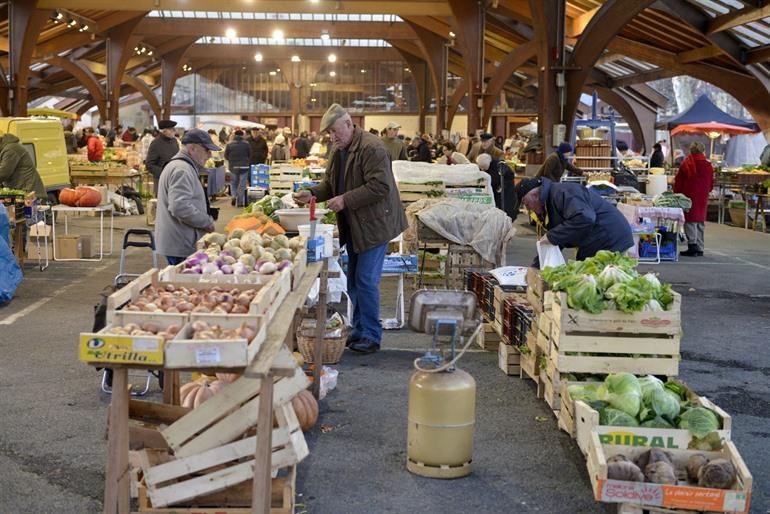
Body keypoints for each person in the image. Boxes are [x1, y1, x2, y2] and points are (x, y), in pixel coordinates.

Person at [293, 104, 407, 354]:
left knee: (365, 280)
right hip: (356, 223)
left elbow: (380, 187)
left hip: (375, 224)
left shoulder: (372, 147)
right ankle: (359, 329)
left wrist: (345, 200)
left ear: (348, 123)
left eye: (334, 131)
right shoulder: (338, 150)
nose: (332, 137)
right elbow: (331, 184)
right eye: (328, 134)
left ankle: (372, 335)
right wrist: (312, 193)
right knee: (354, 281)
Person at [517, 177, 634, 265]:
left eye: (526, 204)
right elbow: (559, 236)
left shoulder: (562, 193)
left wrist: (552, 236)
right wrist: (536, 266)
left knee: (599, 288)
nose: (528, 209)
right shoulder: (548, 204)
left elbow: (585, 218)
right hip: (597, 240)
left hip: (610, 238)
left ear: (535, 195)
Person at [155, 128, 219, 265]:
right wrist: (206, 222)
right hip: (181, 243)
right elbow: (179, 206)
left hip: (180, 240)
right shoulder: (182, 170)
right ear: (192, 148)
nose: (210, 155)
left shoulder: (183, 167)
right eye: (207, 150)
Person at [673, 141, 714, 257]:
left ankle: (692, 246)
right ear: (703, 151)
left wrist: (677, 194)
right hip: (702, 196)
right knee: (700, 221)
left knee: (690, 221)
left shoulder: (686, 164)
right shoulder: (708, 165)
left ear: (690, 151)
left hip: (688, 195)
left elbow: (679, 182)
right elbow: (711, 183)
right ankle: (700, 247)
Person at [0, 132, 47, 200]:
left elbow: (3, 173)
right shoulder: (7, 148)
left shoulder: (10, 149)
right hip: (25, 194)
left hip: (30, 194)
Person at [145, 120, 180, 196]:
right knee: (163, 205)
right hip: (162, 181)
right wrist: (165, 173)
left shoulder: (174, 141)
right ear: (164, 131)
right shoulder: (156, 143)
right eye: (172, 129)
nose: (174, 131)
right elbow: (149, 164)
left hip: (176, 179)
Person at [476, 153, 516, 219]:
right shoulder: (483, 164)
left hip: (504, 192)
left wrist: (502, 185)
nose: (483, 169)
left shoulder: (500, 165)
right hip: (493, 190)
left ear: (489, 162)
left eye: (484, 167)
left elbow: (510, 175)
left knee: (505, 210)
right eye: (481, 168)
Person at [225, 129, 252, 207]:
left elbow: (226, 156)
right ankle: (240, 201)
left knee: (233, 183)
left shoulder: (229, 144)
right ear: (242, 135)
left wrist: (231, 161)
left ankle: (234, 196)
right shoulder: (246, 144)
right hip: (244, 166)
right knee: (242, 184)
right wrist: (246, 161)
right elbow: (250, 154)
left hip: (233, 167)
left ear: (234, 135)